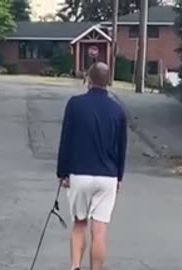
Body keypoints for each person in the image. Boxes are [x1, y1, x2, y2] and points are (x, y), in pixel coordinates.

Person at [56, 62, 127, 270]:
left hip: (80, 173)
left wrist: (62, 172)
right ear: (108, 82)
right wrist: (119, 177)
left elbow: (66, 139)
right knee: (100, 230)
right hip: (107, 176)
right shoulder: (118, 110)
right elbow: (122, 147)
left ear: (88, 79)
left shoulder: (75, 104)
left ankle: (76, 265)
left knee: (79, 224)